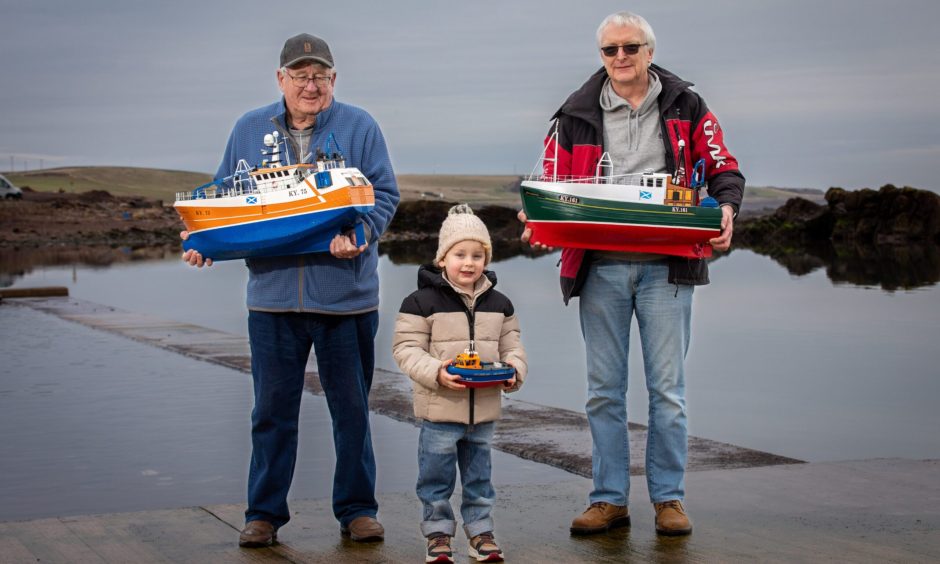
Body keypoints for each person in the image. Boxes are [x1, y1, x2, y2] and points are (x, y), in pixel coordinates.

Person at [519, 12, 744, 536]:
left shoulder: (689, 105)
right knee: (603, 390)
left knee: (668, 390)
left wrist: (727, 206)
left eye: (630, 47)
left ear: (649, 51)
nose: (620, 57)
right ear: (601, 56)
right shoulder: (573, 114)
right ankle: (608, 500)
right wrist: (536, 217)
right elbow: (549, 180)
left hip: (669, 268)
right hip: (599, 269)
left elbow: (723, 167)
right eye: (610, 50)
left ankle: (669, 500)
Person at [182, 33, 399, 547]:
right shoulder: (248, 128)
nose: (310, 85)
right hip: (273, 299)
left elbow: (385, 194)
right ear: (281, 79)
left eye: (320, 75)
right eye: (300, 75)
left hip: (346, 298)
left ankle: (357, 510)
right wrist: (203, 242)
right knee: (271, 412)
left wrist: (362, 237)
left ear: (334, 80)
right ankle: (263, 514)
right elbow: (224, 195)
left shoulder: (360, 125)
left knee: (351, 411)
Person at [393, 204, 528, 563]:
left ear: (486, 258)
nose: (469, 263)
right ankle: (438, 535)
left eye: (477, 255)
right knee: (435, 477)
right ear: (442, 258)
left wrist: (513, 370)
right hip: (440, 408)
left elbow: (512, 345)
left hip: (483, 410)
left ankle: (480, 532)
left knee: (480, 478)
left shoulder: (500, 304)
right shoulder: (420, 302)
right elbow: (406, 349)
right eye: (460, 254)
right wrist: (437, 371)